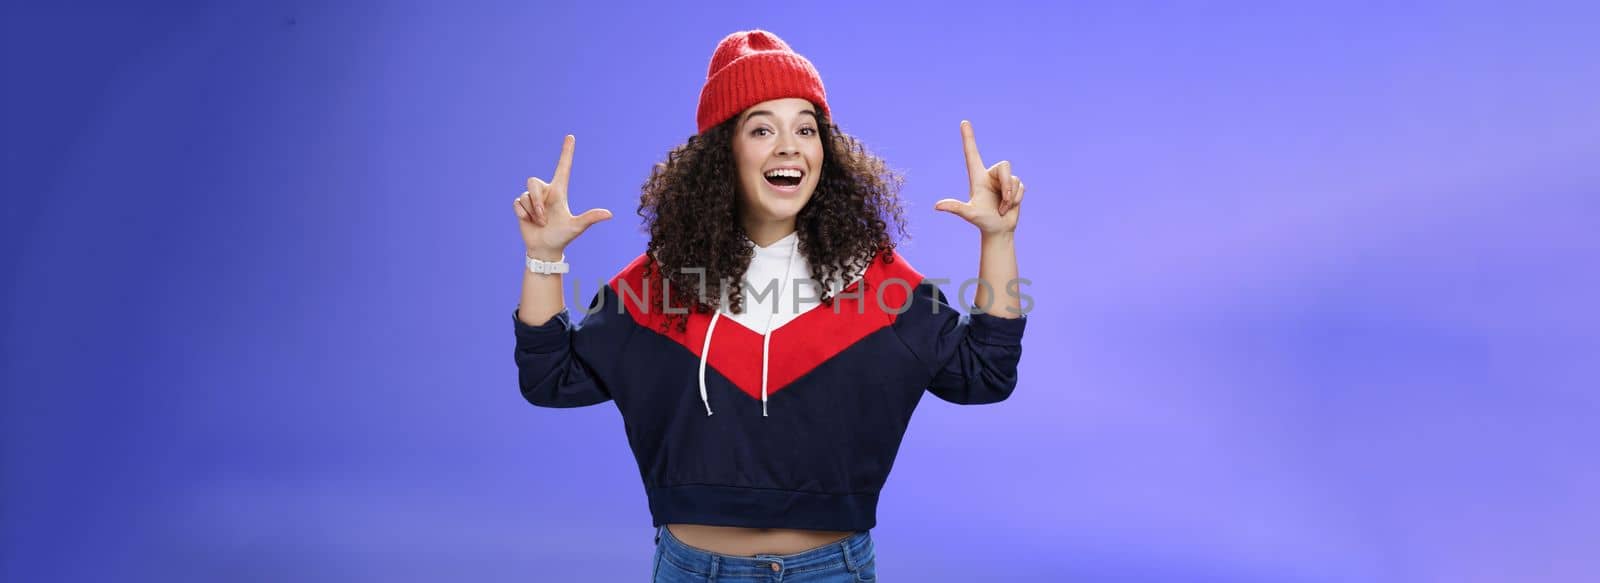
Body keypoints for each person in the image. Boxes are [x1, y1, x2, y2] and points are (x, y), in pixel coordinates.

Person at [511, 29, 1027, 582]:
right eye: (762, 128)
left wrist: (997, 240)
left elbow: (984, 374)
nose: (789, 145)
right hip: (693, 571)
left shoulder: (879, 286)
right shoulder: (658, 287)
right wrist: (544, 257)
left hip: (833, 571)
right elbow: (551, 379)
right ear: (721, 153)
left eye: (806, 128)